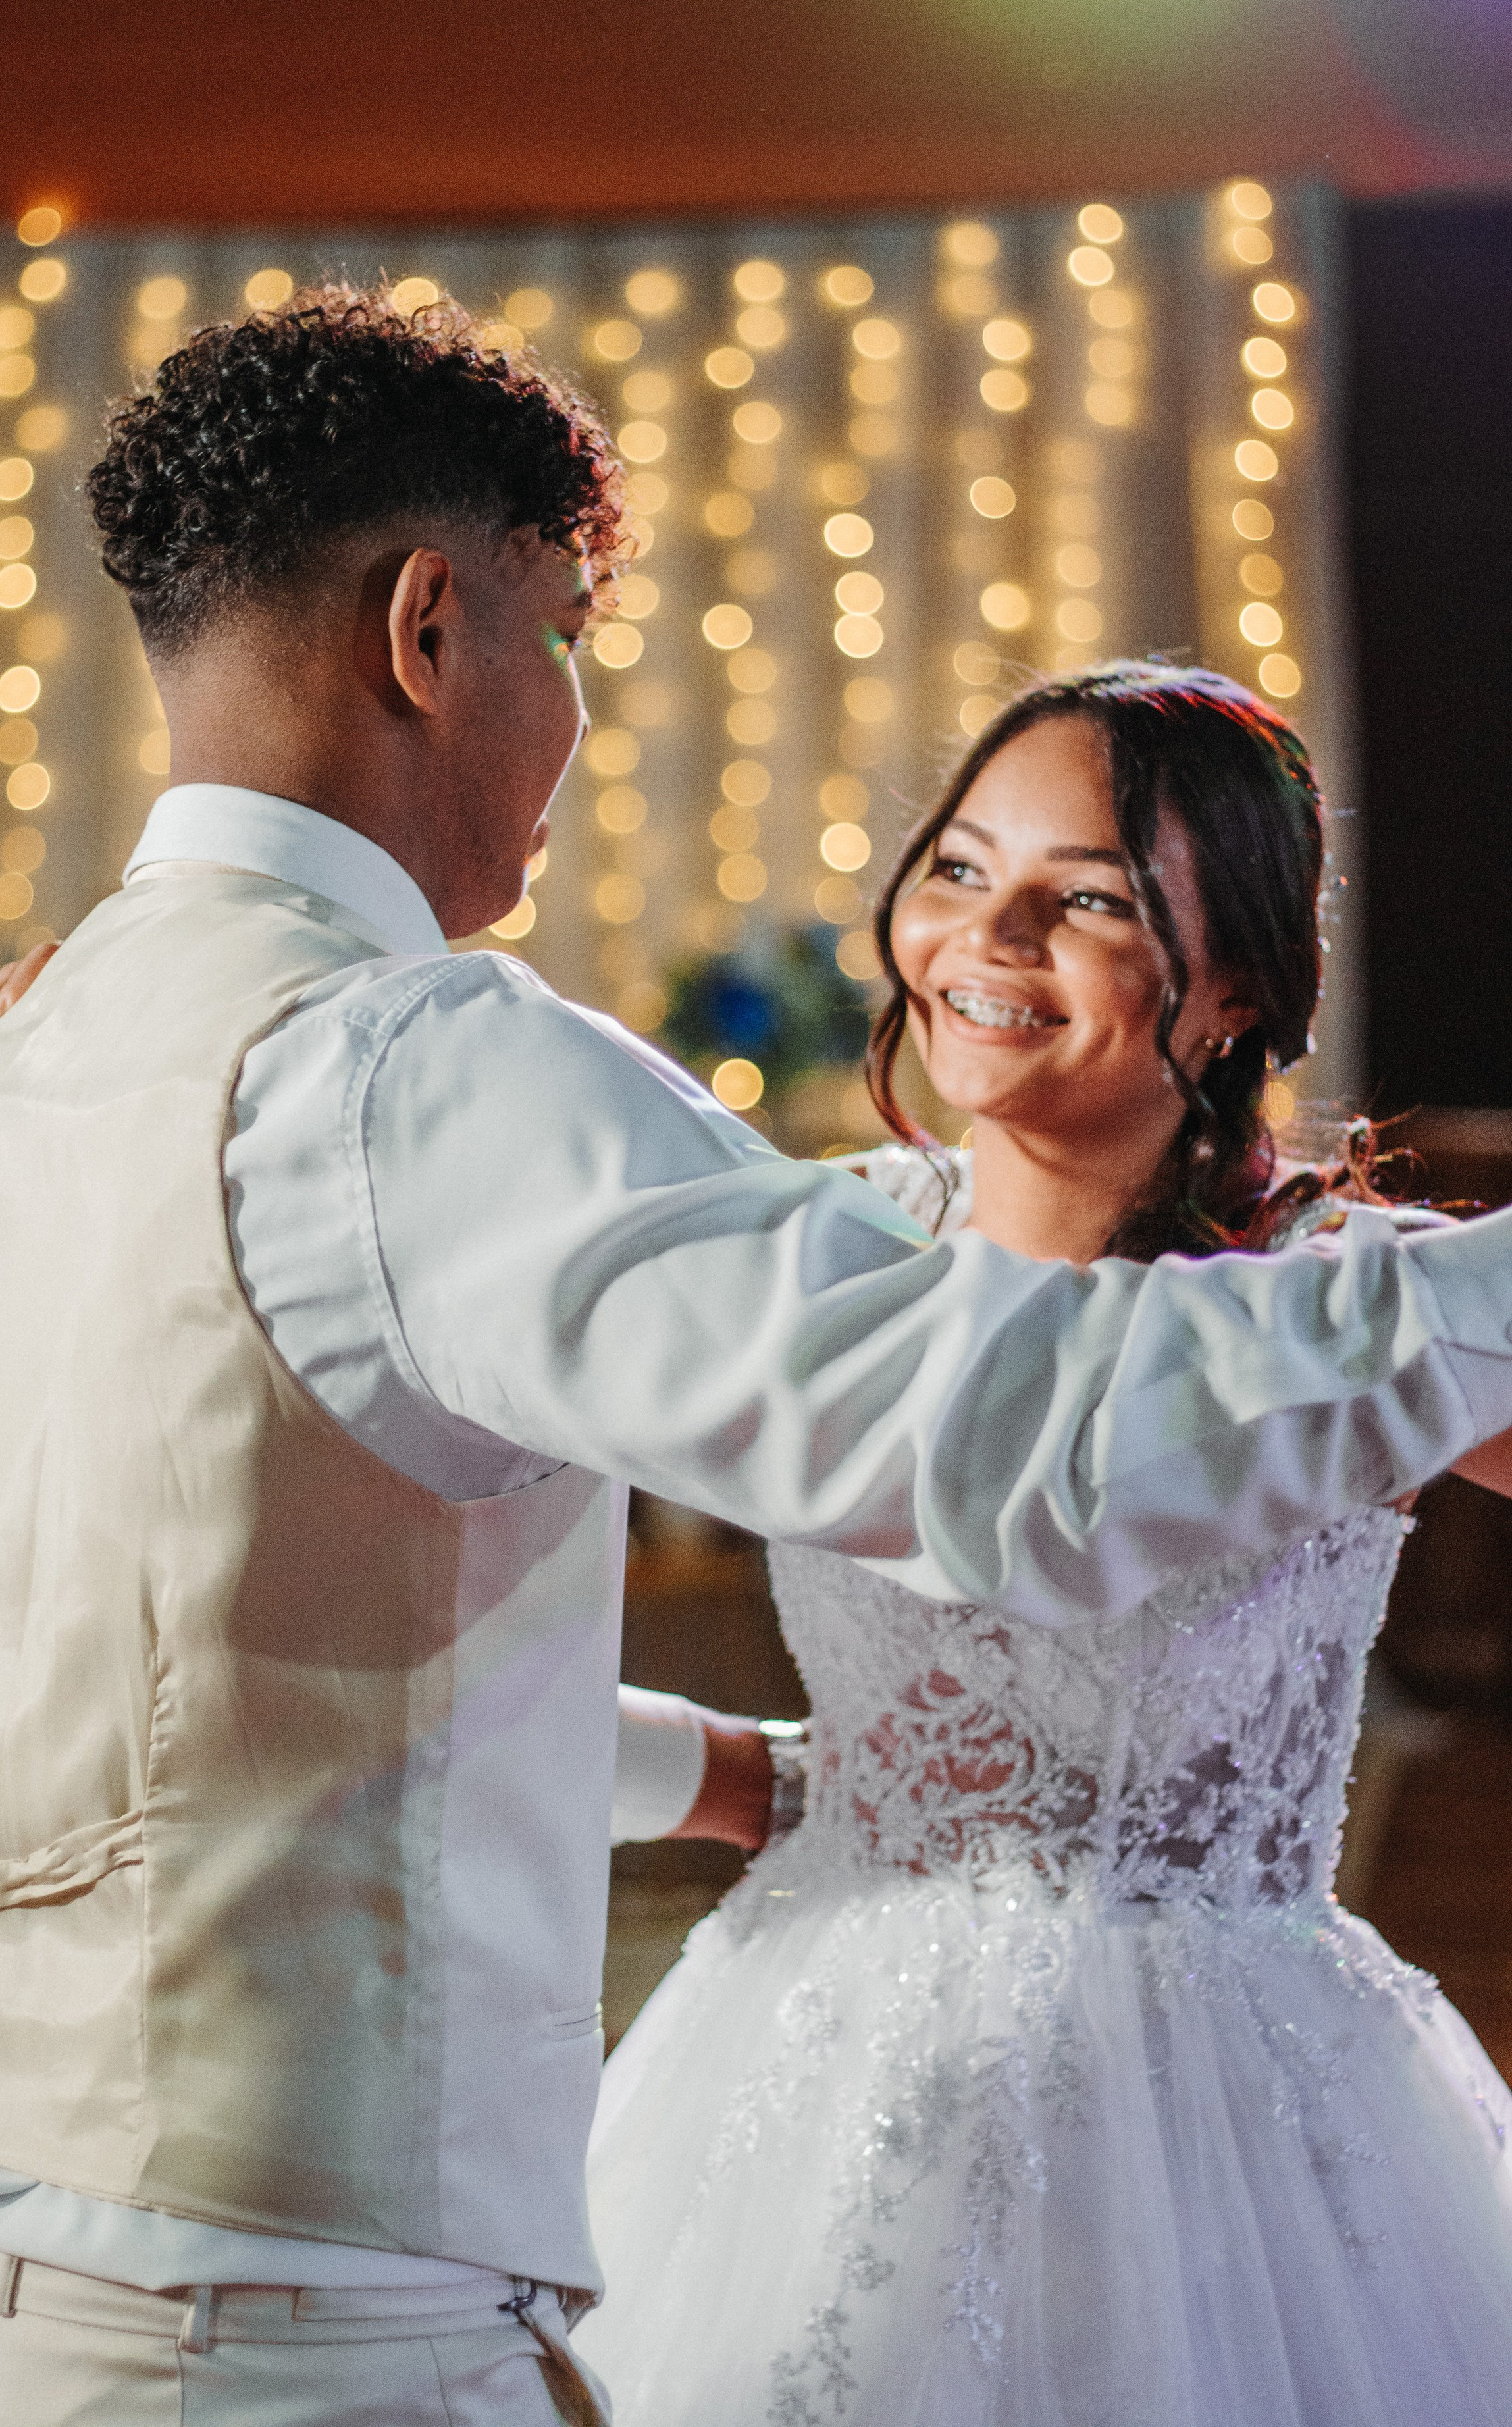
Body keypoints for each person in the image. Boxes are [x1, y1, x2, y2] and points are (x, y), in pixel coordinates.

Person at [0, 290, 1511, 2427]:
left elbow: (205, 1652)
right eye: (563, 638)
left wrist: (732, 1776)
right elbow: (1021, 1440)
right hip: (240, 2324)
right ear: (432, 630)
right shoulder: (416, 1074)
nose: (573, 718)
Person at [581, 664, 1512, 2426]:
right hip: (805, 2087)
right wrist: (746, 1782)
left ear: (1234, 983)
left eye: (1085, 897)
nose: (984, 937)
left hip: (1234, 2140)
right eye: (956, 868)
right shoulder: (822, 1255)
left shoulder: (1349, 1304)